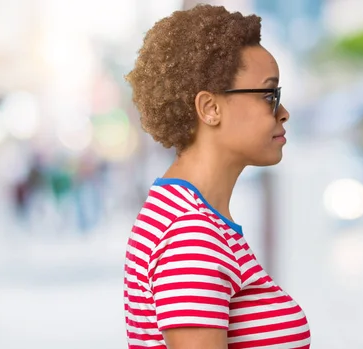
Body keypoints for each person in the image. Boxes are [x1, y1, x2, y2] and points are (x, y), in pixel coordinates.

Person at [123, 4, 311, 349]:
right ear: (210, 109)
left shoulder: (190, 217)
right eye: (270, 95)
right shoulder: (190, 234)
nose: (283, 113)